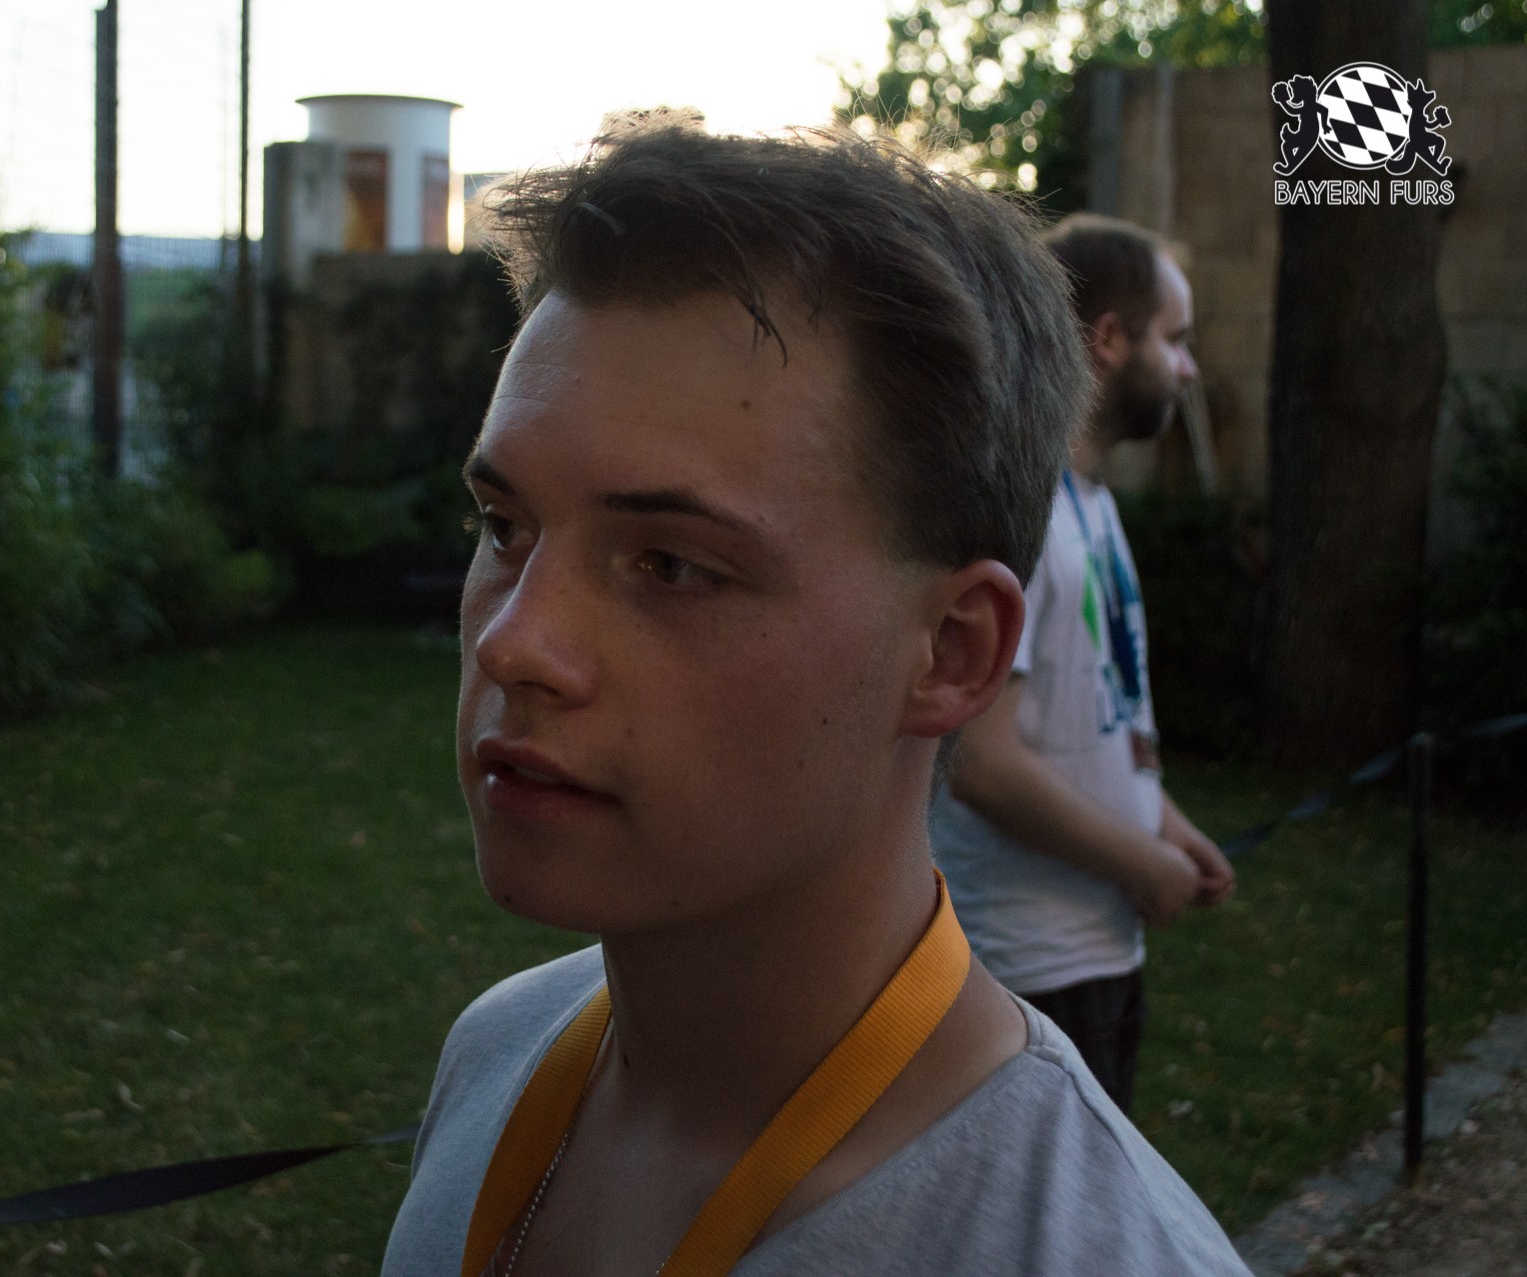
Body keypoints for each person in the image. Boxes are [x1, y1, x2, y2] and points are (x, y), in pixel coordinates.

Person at [381, 120, 1248, 1275]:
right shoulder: (496, 1053)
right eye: (505, 526)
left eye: (672, 565)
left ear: (951, 651)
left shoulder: (1082, 1247)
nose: (514, 641)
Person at [929, 213, 1237, 1116]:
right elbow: (981, 762)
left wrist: (1166, 826)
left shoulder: (1090, 503)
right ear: (1109, 339)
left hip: (1096, 948)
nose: (1187, 368)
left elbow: (1092, 712)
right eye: (1175, 340)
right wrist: (1143, 863)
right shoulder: (1023, 517)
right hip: (1030, 968)